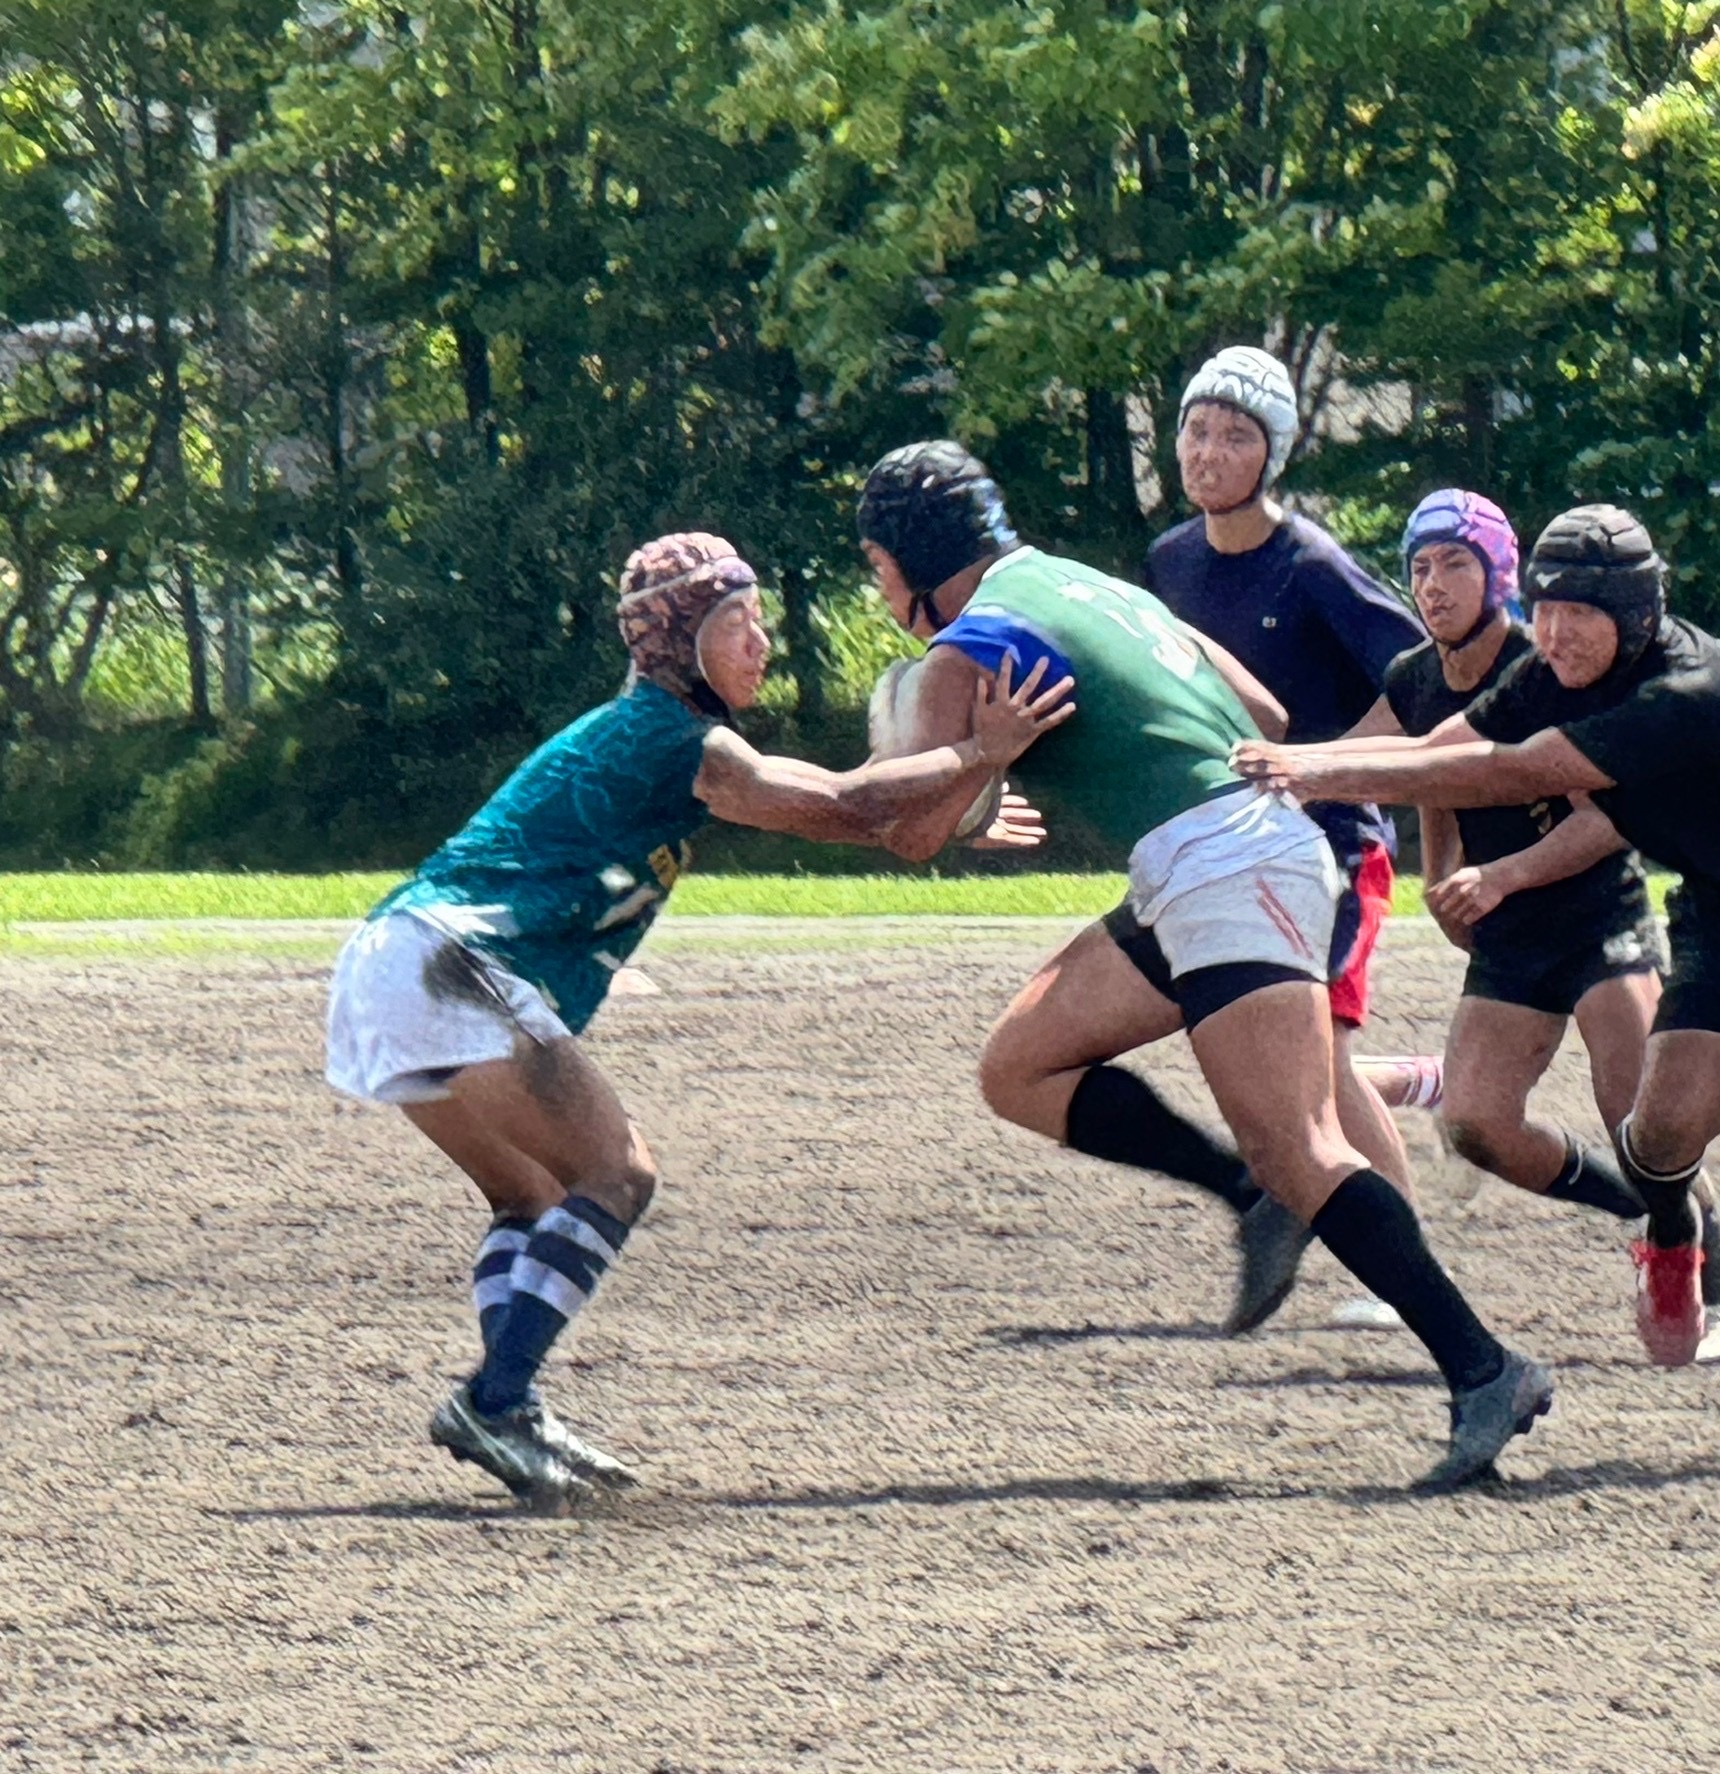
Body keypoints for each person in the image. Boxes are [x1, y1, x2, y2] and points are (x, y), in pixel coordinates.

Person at [856, 439, 1552, 1490]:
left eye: (876, 566)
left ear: (909, 558)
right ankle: (1246, 1193)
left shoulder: (966, 648)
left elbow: (910, 834)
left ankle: (1486, 1368)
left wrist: (984, 763)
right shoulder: (1086, 584)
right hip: (1224, 855)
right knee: (1019, 1065)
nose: (878, 588)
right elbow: (1263, 715)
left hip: (1224, 867)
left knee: (1304, 1147)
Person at [324, 532, 1073, 1506]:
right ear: (680, 642)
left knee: (534, 1197)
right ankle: (493, 1400)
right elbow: (849, 803)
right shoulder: (674, 737)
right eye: (737, 622)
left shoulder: (651, 733)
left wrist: (951, 801)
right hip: (451, 965)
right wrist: (977, 753)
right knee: (618, 1173)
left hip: (392, 961)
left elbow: (855, 816)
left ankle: (510, 1402)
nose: (760, 642)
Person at [1233, 504, 1720, 1468]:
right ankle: (1671, 1233)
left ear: (1638, 614)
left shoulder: (1688, 690)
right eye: (1545, 608)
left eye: (1581, 613)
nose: (1556, 632)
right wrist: (1301, 765)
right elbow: (1446, 745)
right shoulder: (1553, 670)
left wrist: (1312, 776)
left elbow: (1517, 770)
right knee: (1657, 1137)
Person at [1346, 489, 1720, 1364]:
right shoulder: (1416, 677)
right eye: (1420, 566)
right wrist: (1437, 875)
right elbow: (1417, 774)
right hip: (1510, 931)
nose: (1434, 584)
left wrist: (1501, 875)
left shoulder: (1547, 665)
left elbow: (1609, 820)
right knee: (1476, 1124)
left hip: (1596, 913)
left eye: (1455, 563)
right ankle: (1645, 1216)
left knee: (1641, 1120)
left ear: (1499, 574)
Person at [1144, 347, 1429, 1327]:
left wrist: (1321, 768)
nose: (1209, 451)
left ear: (1272, 454)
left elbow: (1422, 679)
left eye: (1235, 436)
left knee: (1325, 1058)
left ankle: (1401, 1274)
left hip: (1338, 846)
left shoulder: (1310, 564)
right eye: (1196, 430)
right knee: (1272, 1055)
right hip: (1230, 850)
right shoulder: (1170, 562)